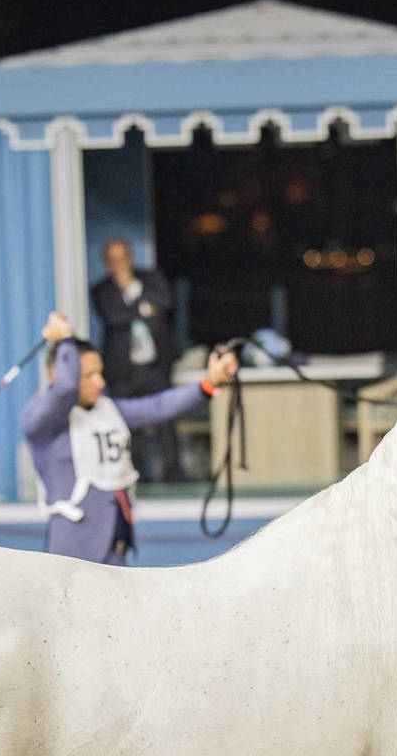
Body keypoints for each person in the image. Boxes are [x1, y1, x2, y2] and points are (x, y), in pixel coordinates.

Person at [19, 311, 236, 564]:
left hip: (116, 543)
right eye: (88, 375)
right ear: (59, 374)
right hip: (73, 551)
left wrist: (209, 383)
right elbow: (66, 388)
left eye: (100, 373)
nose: (100, 382)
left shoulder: (109, 410)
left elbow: (158, 407)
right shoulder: (41, 422)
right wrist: (66, 339)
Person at [91, 238, 182, 481]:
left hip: (155, 366)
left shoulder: (151, 279)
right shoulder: (102, 290)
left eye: (122, 258)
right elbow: (113, 317)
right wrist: (143, 308)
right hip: (123, 370)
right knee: (130, 426)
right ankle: (135, 476)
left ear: (130, 258)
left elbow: (165, 302)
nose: (119, 264)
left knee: (166, 421)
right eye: (114, 260)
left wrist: (132, 290)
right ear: (107, 263)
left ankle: (174, 474)